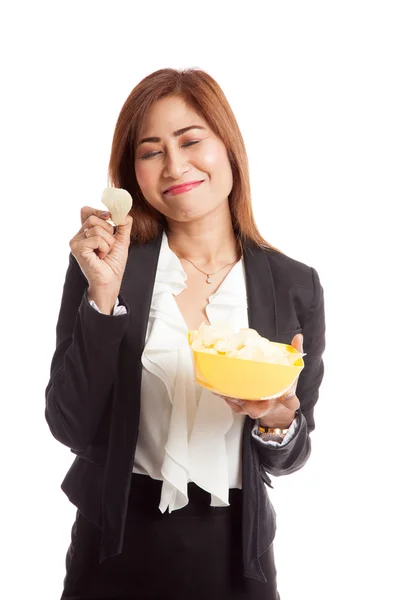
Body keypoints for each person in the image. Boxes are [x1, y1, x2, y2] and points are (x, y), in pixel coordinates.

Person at [45, 67, 325, 600]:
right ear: (134, 173)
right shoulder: (108, 266)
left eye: (191, 140)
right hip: (115, 549)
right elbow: (69, 425)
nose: (175, 166)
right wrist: (102, 298)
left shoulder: (294, 285)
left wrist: (277, 418)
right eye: (151, 152)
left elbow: (290, 456)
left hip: (235, 557)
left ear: (228, 148)